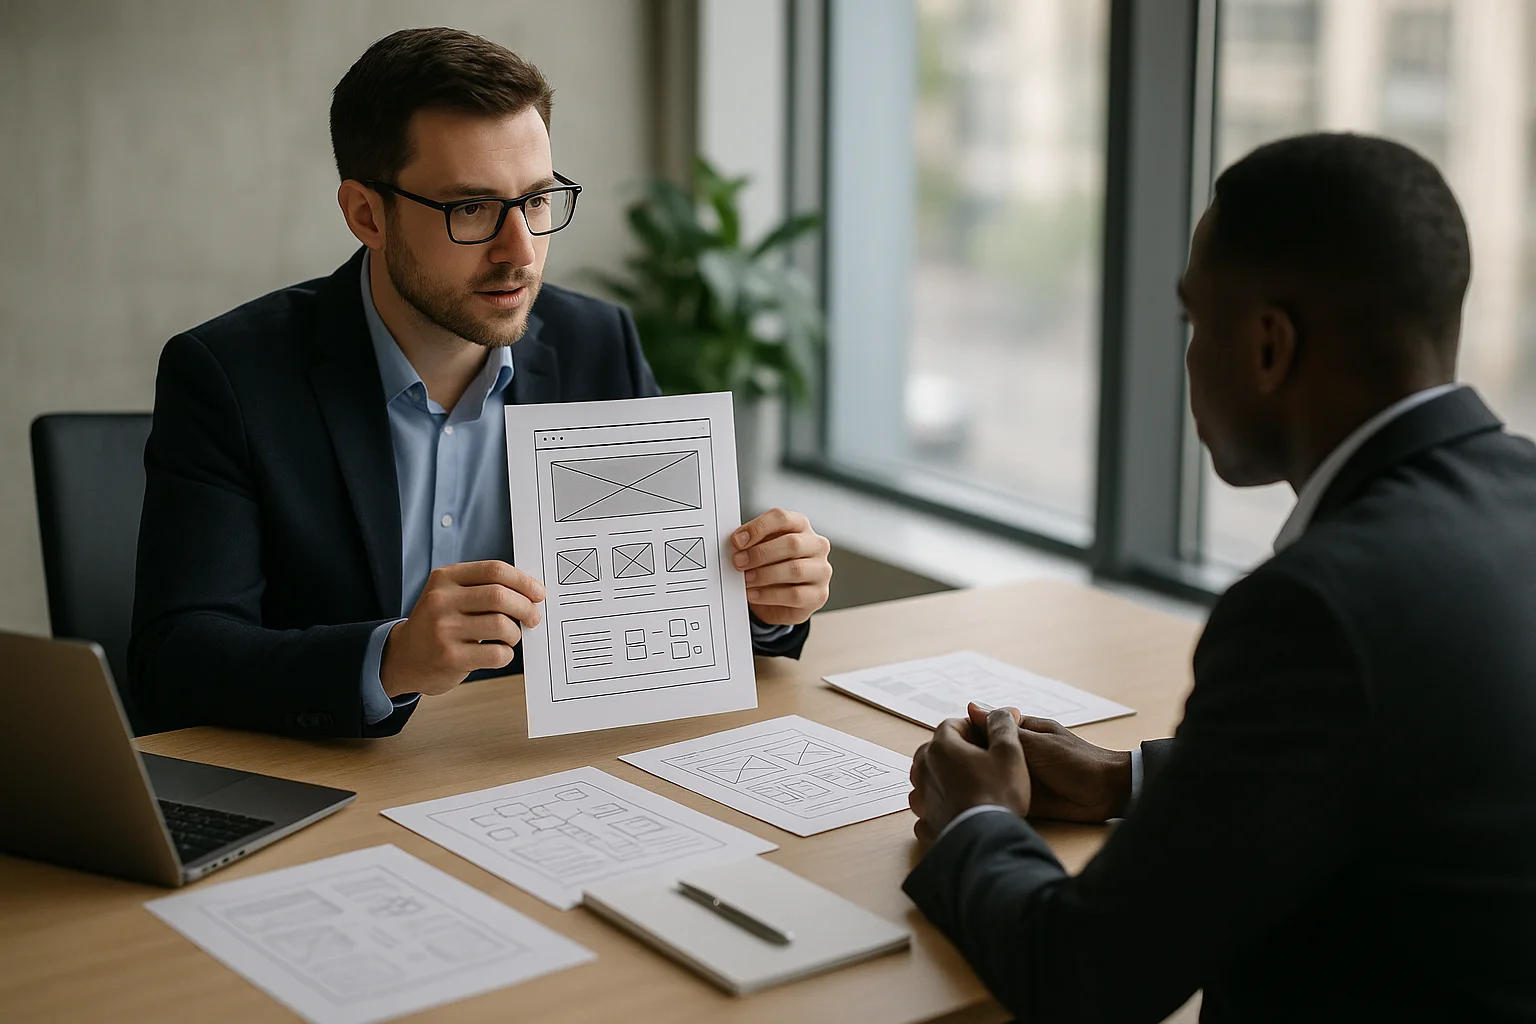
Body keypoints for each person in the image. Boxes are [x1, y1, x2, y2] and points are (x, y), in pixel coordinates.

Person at [905, 133, 1536, 1021]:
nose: (1191, 356)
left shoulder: (1313, 610)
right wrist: (1127, 781)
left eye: (1195, 321)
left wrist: (980, 824)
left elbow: (1083, 978)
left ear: (1270, 346)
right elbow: (1417, 767)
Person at [129, 28, 832, 739]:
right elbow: (175, 659)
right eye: (470, 208)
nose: (520, 251)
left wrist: (759, 603)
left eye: (535, 200)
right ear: (366, 214)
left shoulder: (599, 346)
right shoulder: (230, 375)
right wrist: (389, 660)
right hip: (336, 775)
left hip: (530, 765)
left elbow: (659, 608)